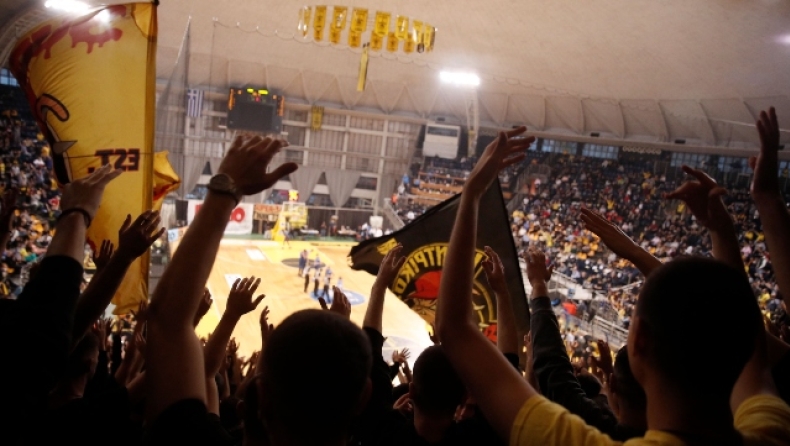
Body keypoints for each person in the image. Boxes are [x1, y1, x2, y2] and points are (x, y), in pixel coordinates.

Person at [435, 126, 790, 446]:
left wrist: (472, 192)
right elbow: (742, 335)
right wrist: (736, 223)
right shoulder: (771, 431)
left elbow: (455, 330)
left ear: (639, 341)